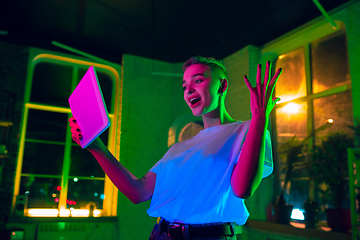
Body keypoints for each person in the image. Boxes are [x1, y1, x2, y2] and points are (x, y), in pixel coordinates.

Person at [69, 56, 282, 240]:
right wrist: (95, 146)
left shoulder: (248, 130)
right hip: (161, 234)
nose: (189, 89)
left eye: (198, 80)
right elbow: (138, 191)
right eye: (184, 86)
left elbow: (242, 189)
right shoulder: (179, 147)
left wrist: (260, 117)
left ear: (222, 86)